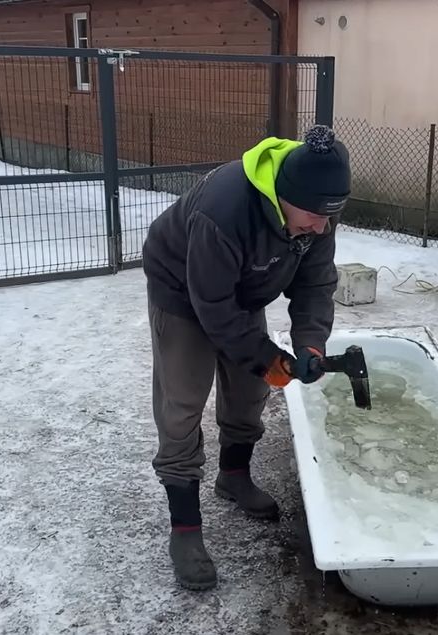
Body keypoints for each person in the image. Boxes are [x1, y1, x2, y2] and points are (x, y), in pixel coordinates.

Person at [141, 124, 350, 590]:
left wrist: (310, 344)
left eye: (331, 216)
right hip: (183, 291)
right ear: (283, 196)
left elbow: (315, 284)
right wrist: (263, 354)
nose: (322, 227)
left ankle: (233, 476)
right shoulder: (225, 210)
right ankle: (185, 530)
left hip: (243, 291)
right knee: (182, 402)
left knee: (250, 389)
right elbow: (212, 306)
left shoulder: (317, 215)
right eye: (315, 216)